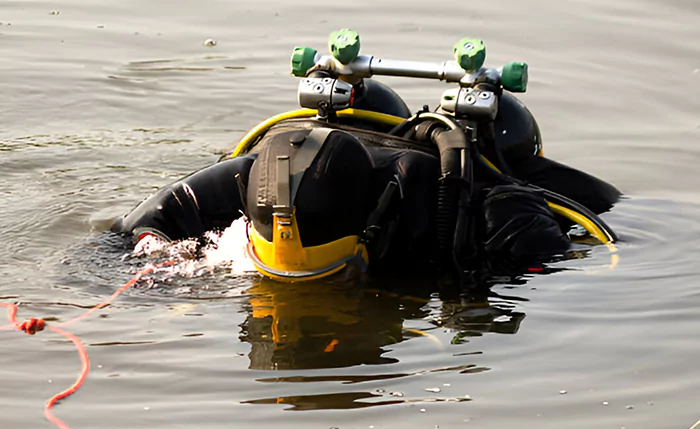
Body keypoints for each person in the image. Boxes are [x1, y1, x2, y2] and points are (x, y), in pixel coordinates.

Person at [111, 79, 620, 283]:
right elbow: (145, 224)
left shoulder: (463, 204)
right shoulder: (264, 168)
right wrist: (155, 250)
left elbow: (570, 255)